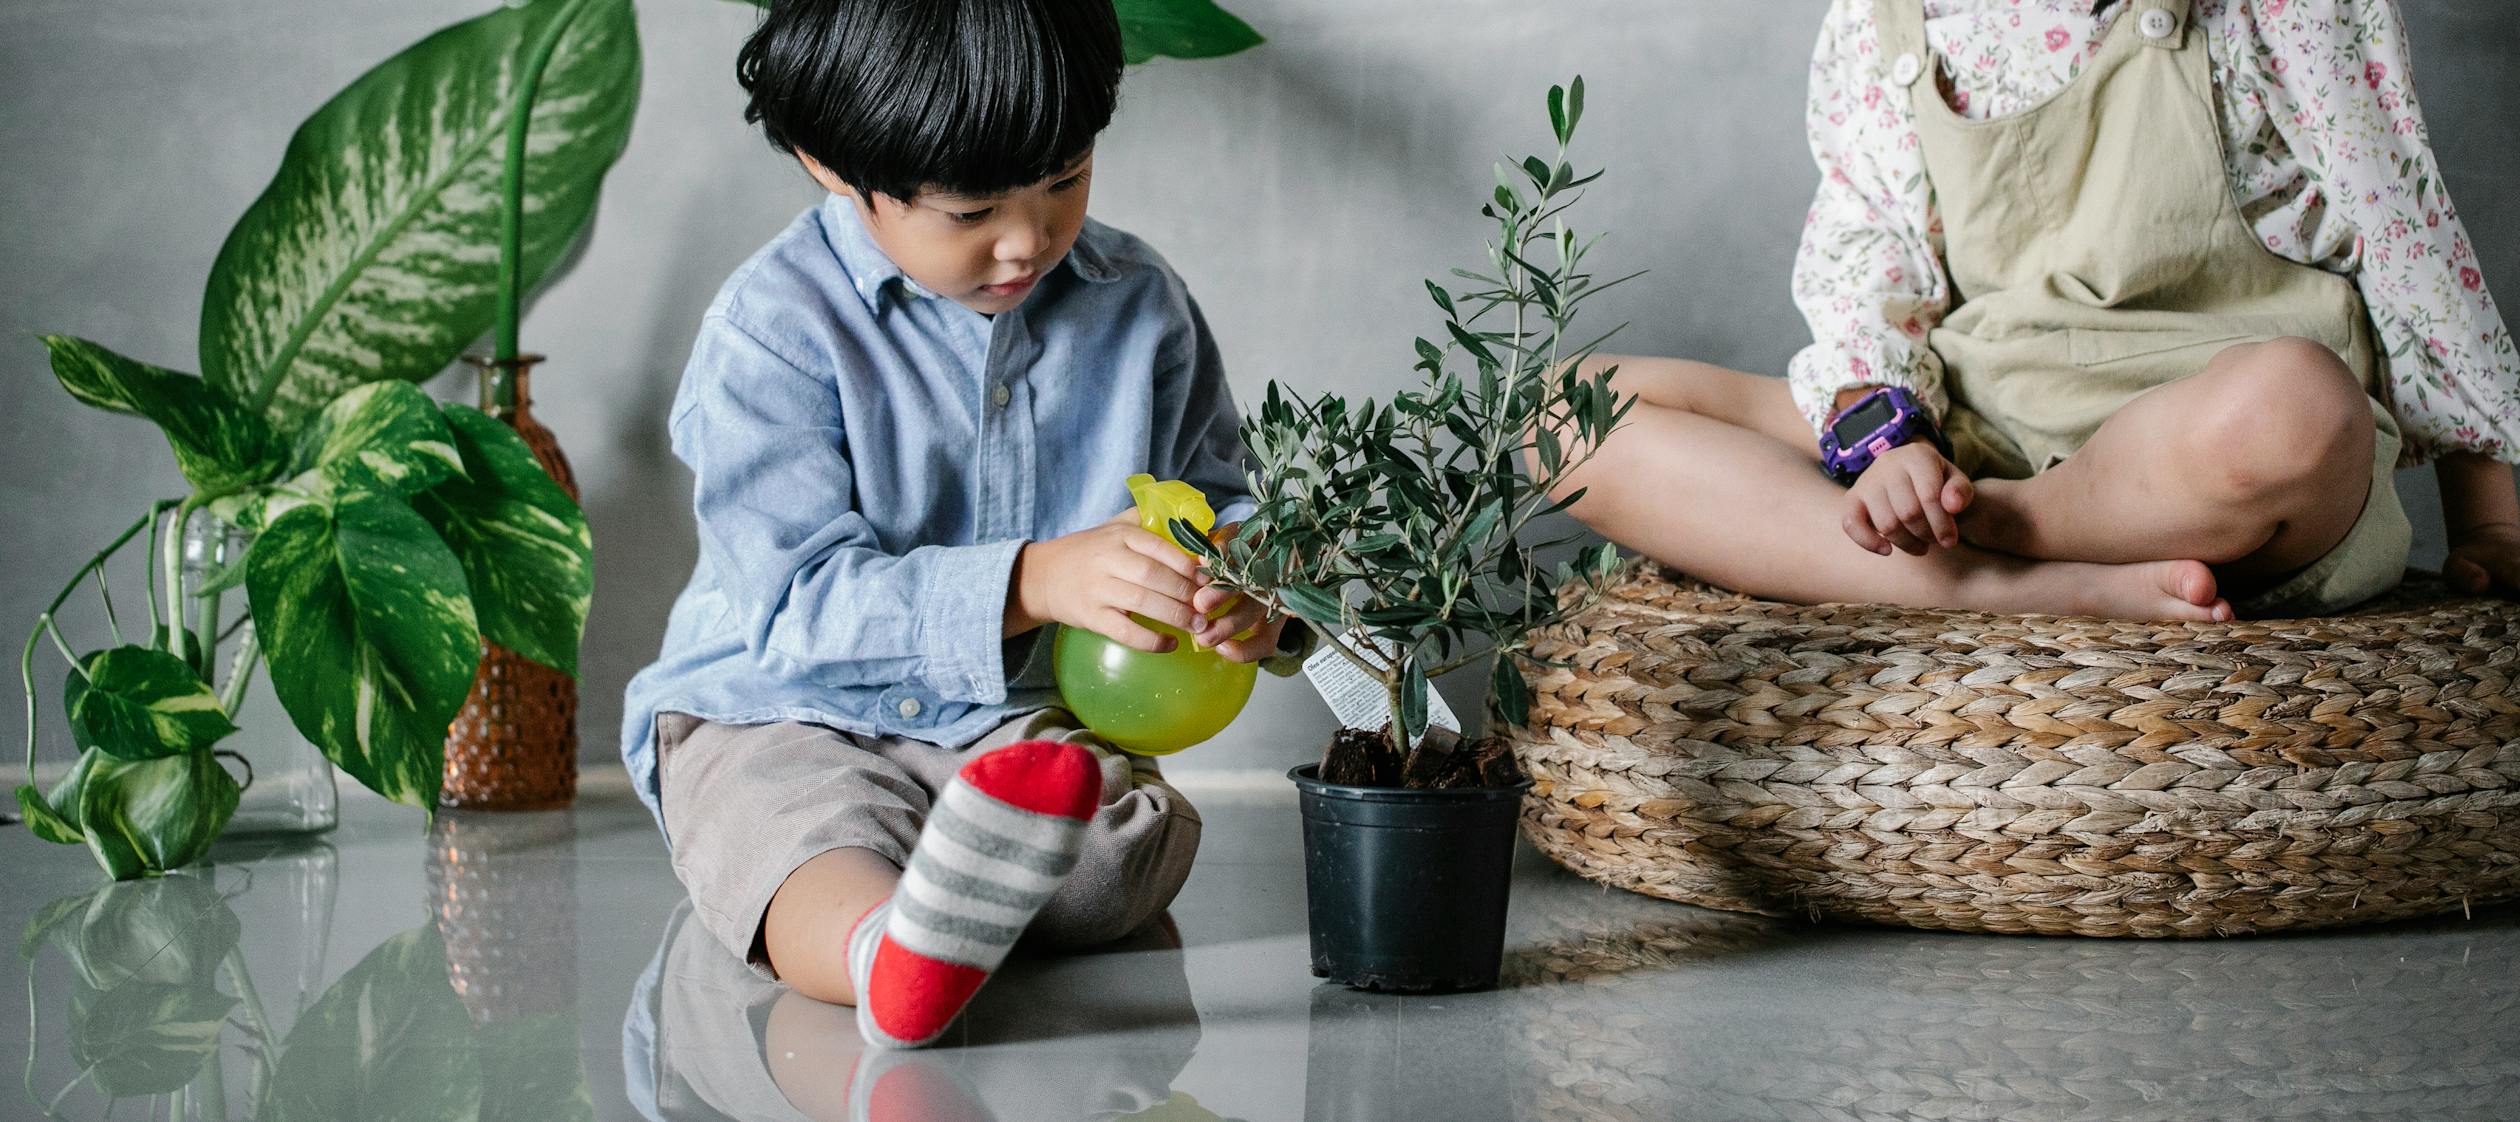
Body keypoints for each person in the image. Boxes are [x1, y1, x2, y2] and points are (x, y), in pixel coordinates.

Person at [618, 0, 1284, 1050]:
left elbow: (1219, 494)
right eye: (970, 212)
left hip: (1007, 723)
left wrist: (1246, 589)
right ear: (831, 164)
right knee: (791, 831)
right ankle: (881, 949)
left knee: (1120, 851)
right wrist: (1033, 583)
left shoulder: (1141, 305)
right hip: (782, 705)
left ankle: (960, 884)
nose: (1027, 239)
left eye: (1065, 178)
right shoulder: (772, 333)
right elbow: (793, 608)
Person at [1554, 0, 2520, 619]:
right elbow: (1868, 249)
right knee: (1570, 411)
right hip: (1980, 416)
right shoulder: (1889, 18)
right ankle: (2016, 588)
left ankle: (1987, 541)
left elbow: (2403, 228)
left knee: (2298, 410)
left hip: (2199, 443)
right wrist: (1888, 446)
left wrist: (2491, 524)